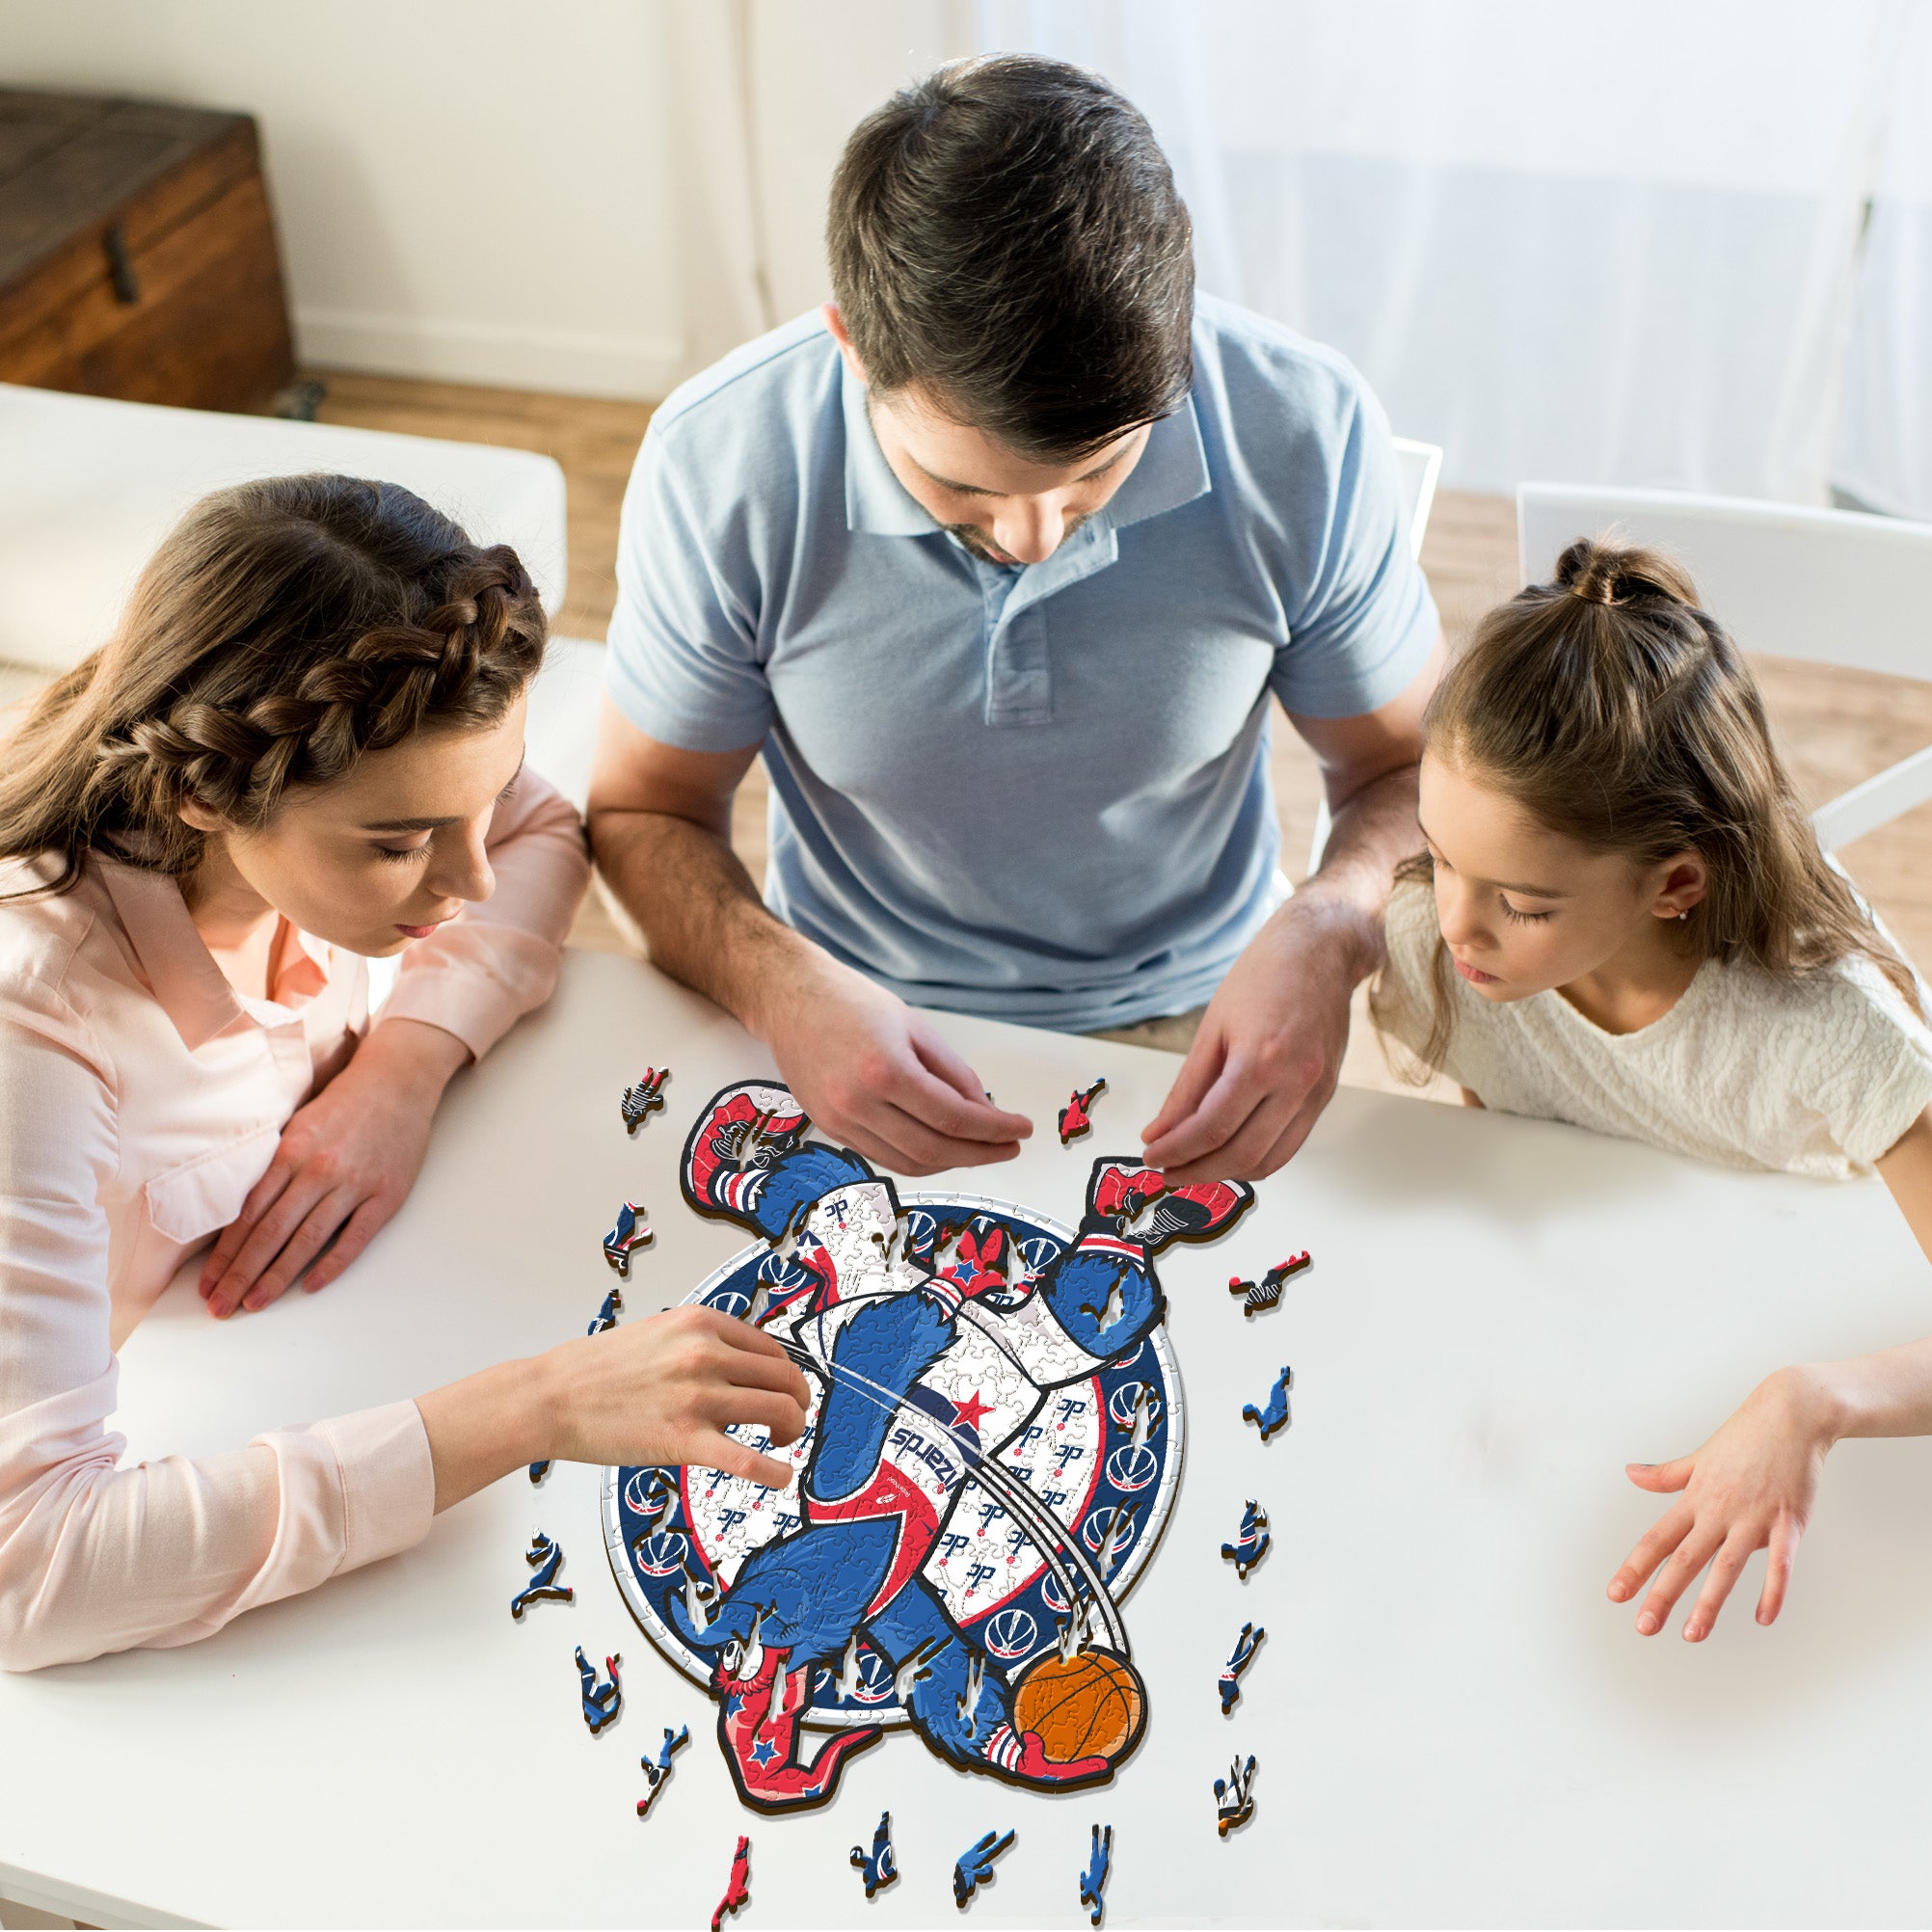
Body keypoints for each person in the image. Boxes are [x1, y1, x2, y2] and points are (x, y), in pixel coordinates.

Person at [0, 476, 809, 1671]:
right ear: (202, 793)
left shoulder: (318, 792)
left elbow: (539, 832)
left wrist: (403, 1066)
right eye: (398, 844)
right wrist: (536, 1407)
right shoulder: (35, 1034)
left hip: (300, 1336)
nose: (470, 883)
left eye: (480, 800)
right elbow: (33, 1571)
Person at [588, 56, 1443, 1183]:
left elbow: (1410, 773)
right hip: (841, 1012)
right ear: (852, 348)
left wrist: (1332, 930)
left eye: (1094, 477)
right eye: (963, 488)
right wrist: (778, 986)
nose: (1034, 537)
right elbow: (644, 812)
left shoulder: (1304, 431)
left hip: (1208, 1011)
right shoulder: (720, 464)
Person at [1370, 537, 1932, 1643]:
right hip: (1626, 1316)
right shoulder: (1444, 947)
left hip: (1844, 1333)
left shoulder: (1832, 1031)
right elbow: (1515, 1127)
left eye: (1522, 904)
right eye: (1441, 857)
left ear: (1675, 884)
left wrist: (1814, 1400)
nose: (1455, 926)